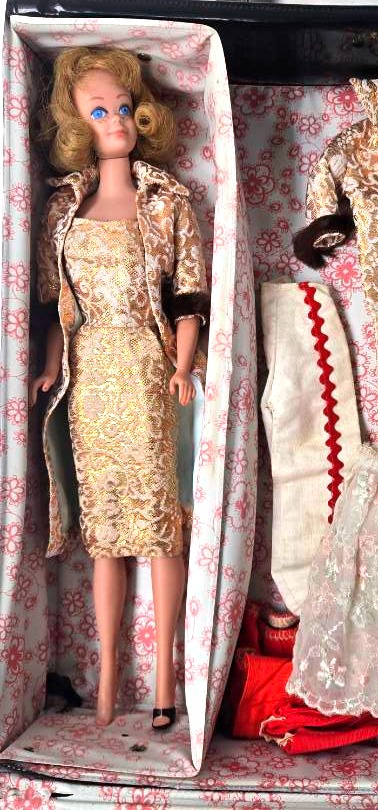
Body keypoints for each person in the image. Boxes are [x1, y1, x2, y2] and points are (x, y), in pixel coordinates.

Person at [30, 47, 209, 730]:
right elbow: (55, 307)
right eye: (100, 110)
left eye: (125, 108)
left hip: (149, 367)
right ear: (77, 123)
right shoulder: (62, 208)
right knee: (105, 533)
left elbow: (188, 298)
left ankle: (165, 681)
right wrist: (51, 367)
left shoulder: (167, 202)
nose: (116, 121)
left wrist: (183, 367)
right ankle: (106, 678)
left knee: (160, 528)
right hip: (90, 376)